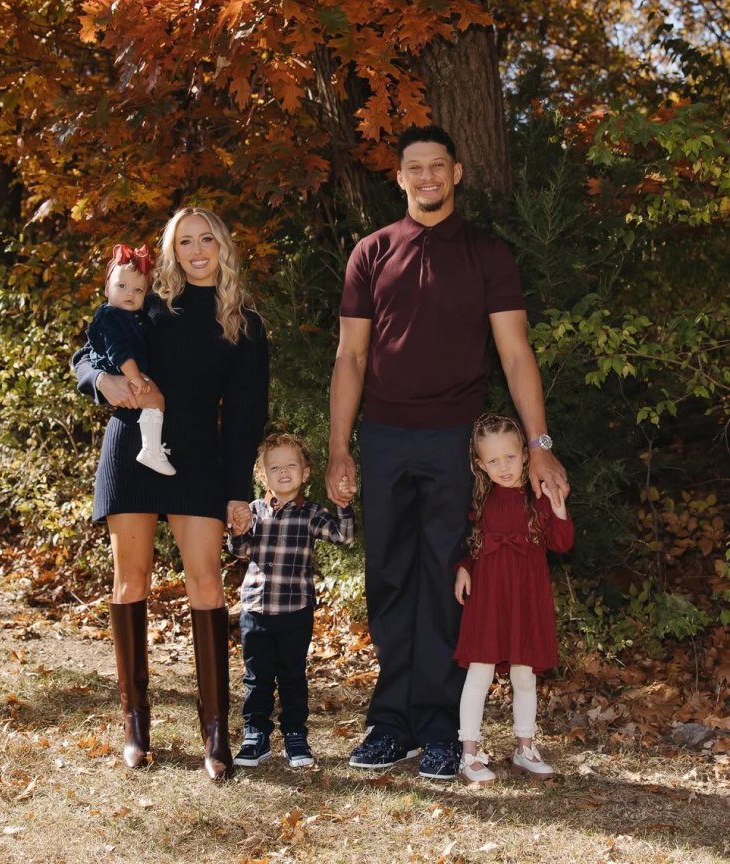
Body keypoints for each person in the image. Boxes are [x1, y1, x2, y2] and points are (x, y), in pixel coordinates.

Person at [325, 123, 569, 781]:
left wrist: (539, 445)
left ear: (456, 174)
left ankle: (437, 726)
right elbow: (349, 356)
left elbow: (516, 354)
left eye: (438, 166)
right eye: (414, 167)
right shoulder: (371, 253)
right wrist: (337, 449)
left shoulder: (486, 253)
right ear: (399, 177)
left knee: (443, 579)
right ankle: (389, 724)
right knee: (388, 577)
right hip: (382, 436)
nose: (427, 177)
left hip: (455, 441)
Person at [72, 207, 269, 781]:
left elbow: (244, 419)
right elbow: (92, 344)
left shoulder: (245, 324)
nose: (197, 249)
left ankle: (215, 734)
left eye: (207, 237)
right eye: (185, 241)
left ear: (223, 246)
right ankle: (136, 724)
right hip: (132, 447)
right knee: (129, 581)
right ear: (172, 250)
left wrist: (237, 492)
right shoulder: (151, 306)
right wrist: (102, 380)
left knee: (206, 585)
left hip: (199, 457)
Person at [454, 412, 573, 784]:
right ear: (479, 464)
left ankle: (525, 748)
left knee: (525, 675)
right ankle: (469, 754)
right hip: (488, 596)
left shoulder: (537, 496)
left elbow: (562, 543)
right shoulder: (480, 497)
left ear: (525, 454)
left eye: (509, 457)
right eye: (492, 460)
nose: (502, 467)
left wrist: (558, 507)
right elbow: (470, 545)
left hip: (526, 595)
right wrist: (463, 567)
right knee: (479, 671)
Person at [227, 433, 355, 769]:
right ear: (262, 475)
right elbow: (239, 551)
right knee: (257, 677)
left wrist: (343, 506)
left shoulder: (311, 514)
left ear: (306, 472)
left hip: (295, 611)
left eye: (291, 465)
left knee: (292, 675)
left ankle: (295, 735)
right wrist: (236, 531)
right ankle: (256, 735)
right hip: (255, 610)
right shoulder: (252, 512)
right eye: (275, 467)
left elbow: (343, 536)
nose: (283, 472)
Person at [86, 242, 175, 476]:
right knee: (155, 398)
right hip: (120, 371)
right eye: (122, 286)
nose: (130, 293)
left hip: (125, 372)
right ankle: (151, 448)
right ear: (107, 288)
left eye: (138, 290)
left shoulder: (132, 316)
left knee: (154, 399)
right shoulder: (112, 316)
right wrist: (135, 378)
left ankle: (151, 447)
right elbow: (119, 351)